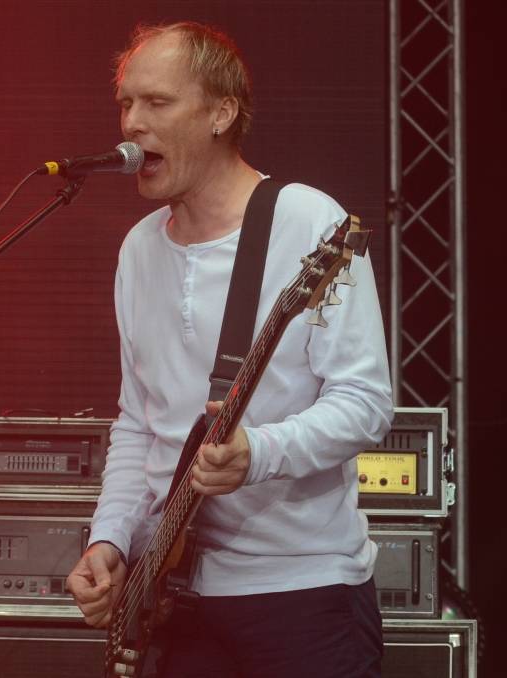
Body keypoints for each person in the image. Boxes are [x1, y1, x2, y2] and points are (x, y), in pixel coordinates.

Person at [66, 21, 394, 678]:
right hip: (177, 596)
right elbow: (139, 422)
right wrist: (111, 538)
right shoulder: (139, 249)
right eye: (126, 103)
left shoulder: (307, 221)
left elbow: (365, 403)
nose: (132, 122)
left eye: (157, 102)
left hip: (303, 594)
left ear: (221, 113)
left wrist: (259, 453)